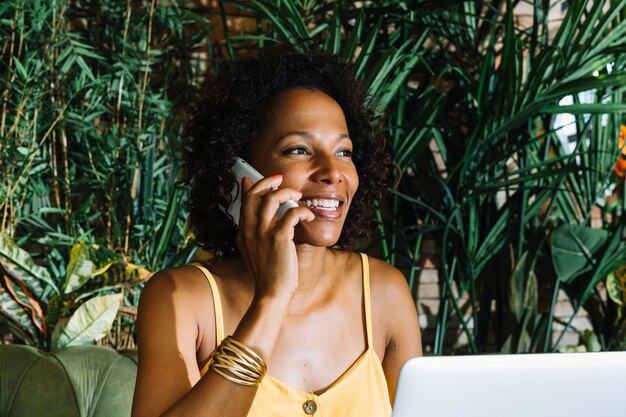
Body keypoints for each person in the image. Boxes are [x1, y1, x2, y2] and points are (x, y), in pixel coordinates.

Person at [131, 48, 422, 417]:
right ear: (239, 174)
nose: (332, 171)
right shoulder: (181, 299)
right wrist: (272, 299)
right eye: (299, 150)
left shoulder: (384, 294)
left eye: (344, 152)